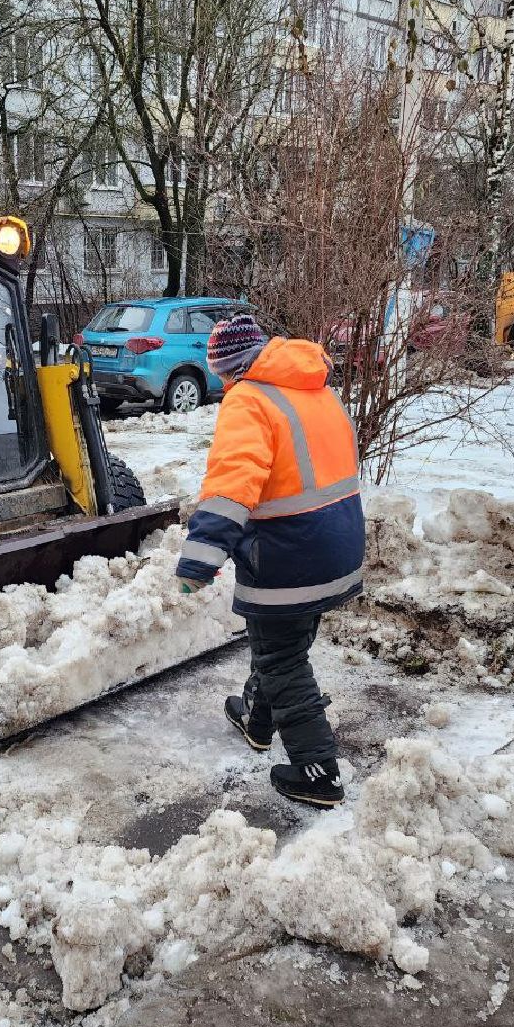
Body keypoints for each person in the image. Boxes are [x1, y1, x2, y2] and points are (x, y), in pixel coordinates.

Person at [174, 313, 364, 808]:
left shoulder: (248, 400)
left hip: (289, 552)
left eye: (218, 373)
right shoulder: (312, 388)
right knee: (284, 638)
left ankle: (317, 772)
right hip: (337, 543)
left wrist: (198, 562)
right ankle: (257, 720)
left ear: (228, 367)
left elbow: (231, 487)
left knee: (283, 659)